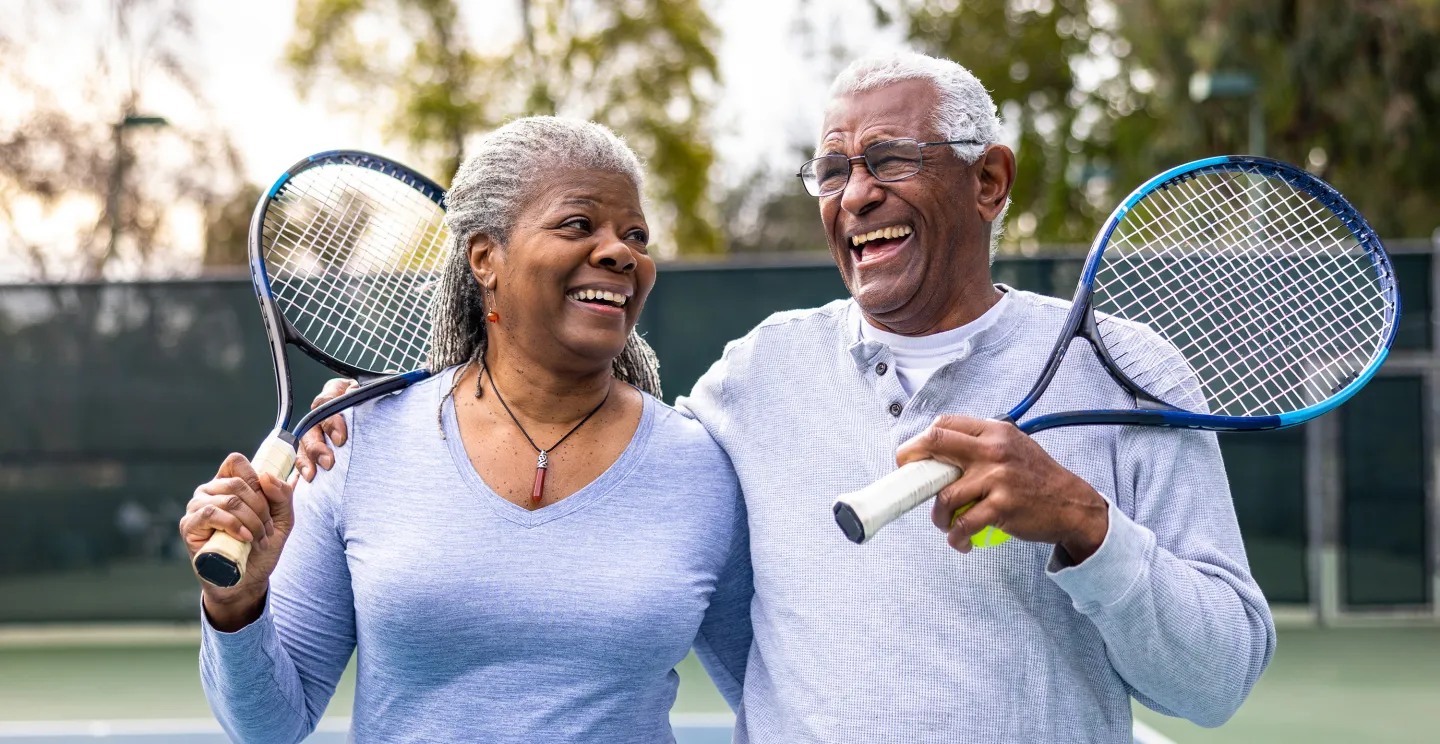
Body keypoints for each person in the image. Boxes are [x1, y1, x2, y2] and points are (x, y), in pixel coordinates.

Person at [303, 53, 1275, 743]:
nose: (855, 194)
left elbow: (1217, 680)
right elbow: (602, 446)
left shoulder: (1125, 369)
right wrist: (400, 415)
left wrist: (1083, 526)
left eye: (889, 159)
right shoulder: (755, 378)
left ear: (989, 181)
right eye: (833, 170)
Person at [179, 117, 752, 744]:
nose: (622, 252)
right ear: (485, 259)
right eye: (578, 224)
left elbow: (781, 692)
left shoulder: (699, 466)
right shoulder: (354, 440)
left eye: (636, 235)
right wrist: (236, 603)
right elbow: (267, 727)